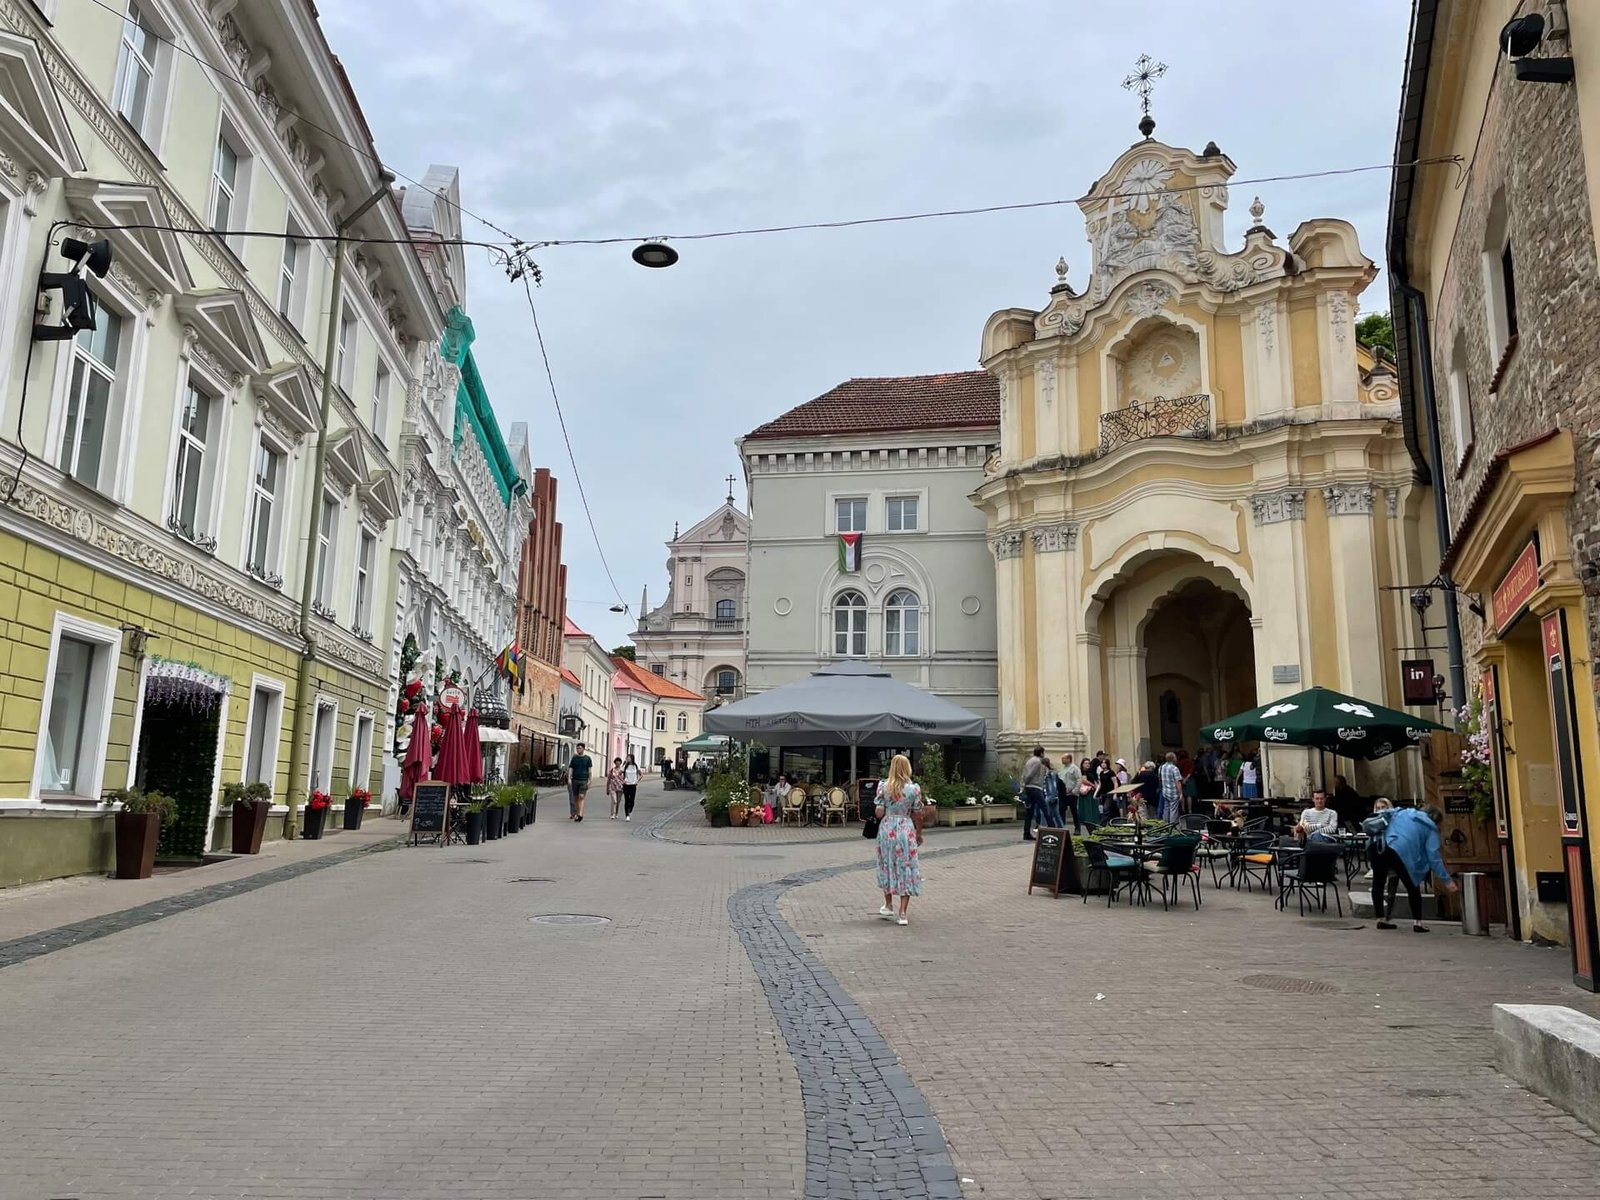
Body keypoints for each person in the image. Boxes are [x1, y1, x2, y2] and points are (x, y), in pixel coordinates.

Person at [1372, 805, 1457, 932]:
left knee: (1378, 884)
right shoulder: (1431, 828)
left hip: (1379, 846)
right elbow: (1434, 857)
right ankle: (1418, 923)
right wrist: (1447, 881)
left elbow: (1383, 814)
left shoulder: (1403, 812)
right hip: (1400, 852)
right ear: (1437, 820)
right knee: (1413, 885)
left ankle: (1380, 919)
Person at [874, 754, 925, 926]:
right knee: (906, 866)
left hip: (887, 828)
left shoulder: (883, 787)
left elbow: (879, 813)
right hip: (905, 828)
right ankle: (903, 913)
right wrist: (918, 833)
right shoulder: (913, 789)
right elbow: (918, 813)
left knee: (887, 863)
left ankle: (888, 904)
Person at [1021, 745, 1047, 842]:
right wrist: (1026, 782)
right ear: (1041, 753)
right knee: (1045, 808)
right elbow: (1030, 774)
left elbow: (1024, 773)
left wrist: (1023, 784)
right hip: (1035, 787)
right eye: (1043, 752)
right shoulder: (1037, 762)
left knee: (1029, 812)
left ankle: (1026, 833)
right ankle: (1054, 829)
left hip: (1028, 788)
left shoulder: (1029, 761)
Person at [567, 742, 593, 822]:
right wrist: (569, 778)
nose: (578, 750)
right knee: (575, 798)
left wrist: (590, 780)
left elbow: (589, 770)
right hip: (575, 779)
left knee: (581, 796)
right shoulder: (574, 758)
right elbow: (571, 768)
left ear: (583, 749)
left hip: (583, 780)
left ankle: (580, 814)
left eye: (580, 748)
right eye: (577, 748)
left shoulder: (587, 758)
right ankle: (578, 813)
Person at [1059, 757, 1083, 832]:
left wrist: (1075, 791)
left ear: (1069, 759)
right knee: (1061, 810)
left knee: (1074, 811)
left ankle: (1077, 828)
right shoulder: (1061, 769)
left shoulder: (1075, 768)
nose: (1062, 760)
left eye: (1064, 758)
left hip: (1072, 794)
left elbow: (1079, 780)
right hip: (1063, 794)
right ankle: (1061, 827)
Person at [1158, 751, 1183, 824]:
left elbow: (1160, 779)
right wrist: (1180, 793)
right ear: (1172, 759)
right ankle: (1172, 826)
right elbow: (1177, 782)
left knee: (1166, 809)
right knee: (1173, 810)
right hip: (1173, 792)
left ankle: (1165, 824)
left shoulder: (1161, 767)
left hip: (1165, 791)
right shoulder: (1174, 768)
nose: (1176, 758)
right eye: (1175, 757)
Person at [1041, 757, 1064, 829]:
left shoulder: (1047, 774)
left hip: (1048, 796)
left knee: (1044, 814)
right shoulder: (1054, 773)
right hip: (1055, 796)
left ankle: (1043, 829)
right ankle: (1061, 829)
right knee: (1056, 814)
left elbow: (1050, 786)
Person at [622, 755, 641, 821]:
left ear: (632, 758)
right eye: (627, 758)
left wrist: (637, 781)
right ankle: (627, 815)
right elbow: (619, 773)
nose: (627, 759)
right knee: (627, 800)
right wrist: (623, 780)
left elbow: (641, 775)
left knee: (632, 800)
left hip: (633, 784)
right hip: (626, 785)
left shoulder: (635, 766)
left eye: (628, 758)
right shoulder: (625, 766)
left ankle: (630, 809)